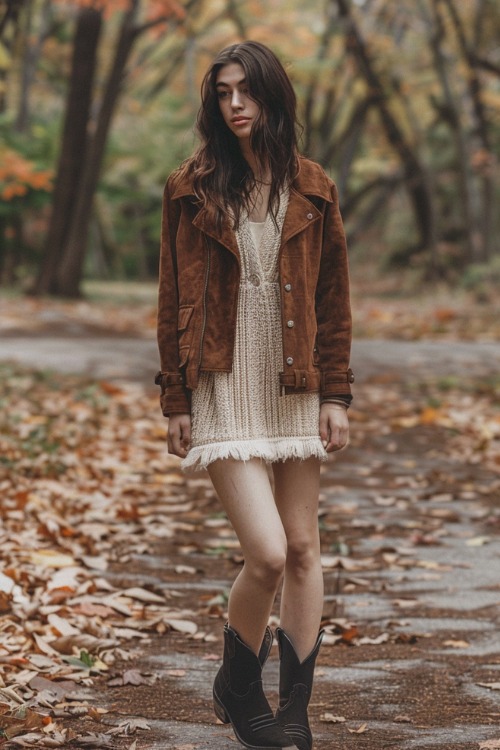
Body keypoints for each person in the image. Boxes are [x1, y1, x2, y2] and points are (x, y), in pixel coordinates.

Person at [155, 40, 354, 750]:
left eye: (246, 91)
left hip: (294, 381)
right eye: (222, 93)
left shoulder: (314, 186)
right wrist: (174, 399)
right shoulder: (191, 186)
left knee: (304, 549)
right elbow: (172, 295)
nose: (234, 104)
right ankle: (239, 687)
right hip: (221, 383)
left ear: (273, 96)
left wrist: (338, 394)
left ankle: (293, 711)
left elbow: (333, 300)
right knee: (266, 552)